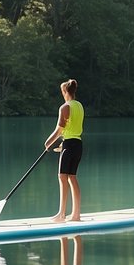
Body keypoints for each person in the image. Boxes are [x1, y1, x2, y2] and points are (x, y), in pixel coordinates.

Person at [44, 78, 83, 222]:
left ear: (65, 91)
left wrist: (48, 142)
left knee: (62, 177)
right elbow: (72, 129)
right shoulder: (79, 106)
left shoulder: (65, 107)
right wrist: (62, 145)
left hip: (69, 145)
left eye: (62, 91)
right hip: (77, 144)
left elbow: (59, 130)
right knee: (72, 177)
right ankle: (76, 214)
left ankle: (61, 214)